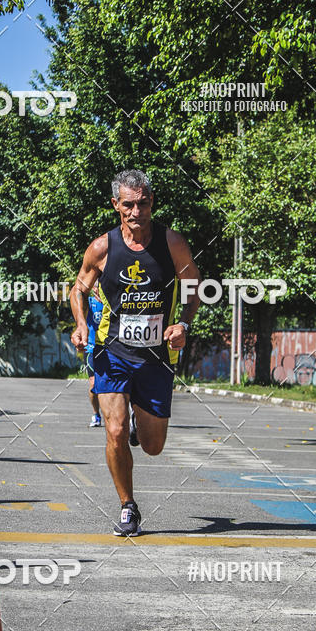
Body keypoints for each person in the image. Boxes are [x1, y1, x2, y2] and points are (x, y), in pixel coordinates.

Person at [70, 169, 201, 536]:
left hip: (156, 357)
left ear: (152, 202)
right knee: (114, 430)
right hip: (111, 351)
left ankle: (137, 425)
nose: (136, 212)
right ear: (116, 205)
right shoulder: (102, 248)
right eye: (128, 205)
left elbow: (194, 286)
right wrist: (81, 324)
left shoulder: (172, 243)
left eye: (143, 203)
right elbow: (78, 289)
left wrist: (183, 324)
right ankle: (128, 506)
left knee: (153, 445)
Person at [85, 284, 103, 427]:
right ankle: (96, 414)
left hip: (110, 349)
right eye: (95, 287)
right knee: (93, 384)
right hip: (92, 348)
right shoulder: (89, 303)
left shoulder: (113, 302)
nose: (97, 290)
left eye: (99, 287)